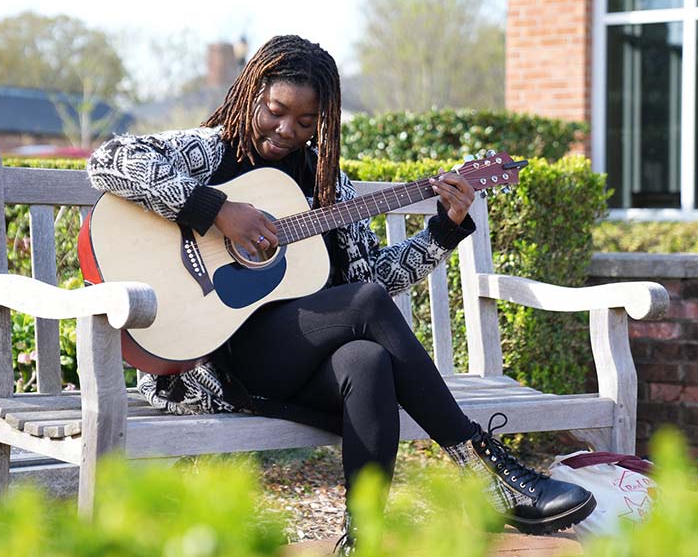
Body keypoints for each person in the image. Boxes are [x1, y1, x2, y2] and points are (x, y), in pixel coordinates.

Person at [86, 35, 595, 551]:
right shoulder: (207, 152)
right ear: (250, 93)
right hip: (210, 361)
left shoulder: (327, 186)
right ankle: (483, 470)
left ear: (322, 123)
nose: (287, 131)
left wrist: (444, 228)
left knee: (366, 360)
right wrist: (219, 210)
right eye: (276, 111)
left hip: (291, 367)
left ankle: (362, 540)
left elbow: (375, 276)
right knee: (365, 307)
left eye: (306, 123)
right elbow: (107, 160)